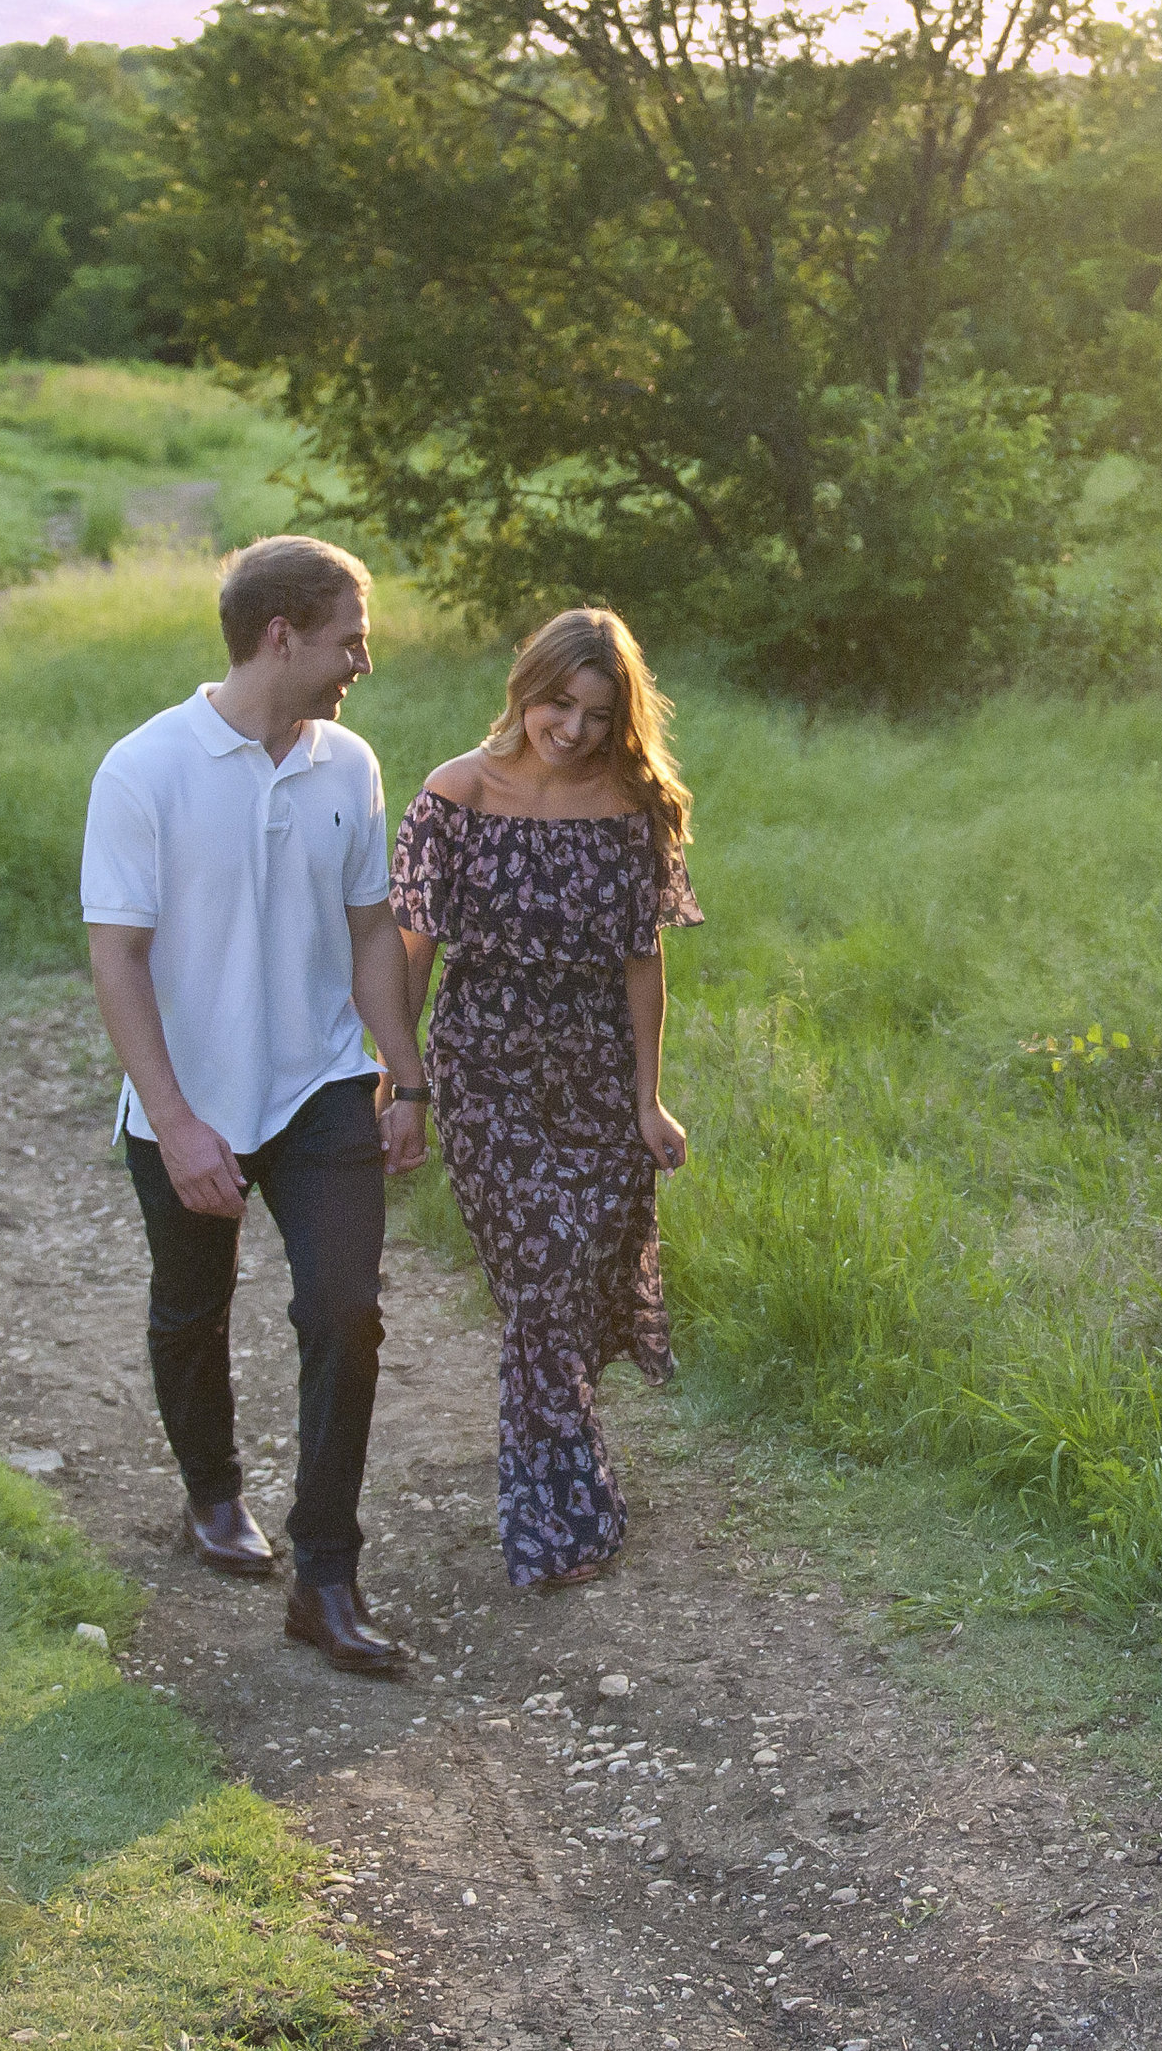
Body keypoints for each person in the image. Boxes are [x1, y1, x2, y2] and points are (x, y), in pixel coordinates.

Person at [79, 535, 432, 1677]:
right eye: (349, 636)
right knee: (192, 1305)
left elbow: (372, 928)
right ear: (283, 635)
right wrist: (176, 1119)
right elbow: (119, 958)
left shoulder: (349, 764)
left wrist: (402, 1071)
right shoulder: (144, 768)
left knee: (343, 1312)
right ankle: (211, 1491)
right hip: (191, 1098)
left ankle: (326, 1574)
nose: (361, 660)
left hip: (321, 1084)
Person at [389, 606, 702, 1590]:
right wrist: (407, 1081)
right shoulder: (454, 795)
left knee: (568, 1278)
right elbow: (408, 949)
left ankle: (550, 1437)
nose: (570, 729)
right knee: (538, 1287)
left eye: (597, 714)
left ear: (621, 721)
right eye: (557, 703)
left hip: (595, 1076)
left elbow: (641, 963)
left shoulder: (632, 808)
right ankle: (563, 1510)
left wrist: (647, 1100)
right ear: (525, 689)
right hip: (485, 1072)